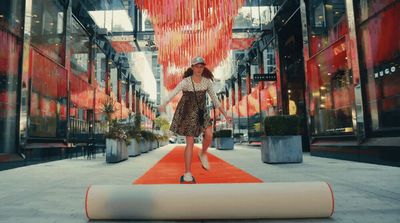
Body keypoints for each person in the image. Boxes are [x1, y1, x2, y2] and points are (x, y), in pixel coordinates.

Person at [158, 56, 232, 183]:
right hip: (188, 114)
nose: (199, 69)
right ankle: (187, 172)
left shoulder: (207, 82)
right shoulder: (186, 82)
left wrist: (226, 115)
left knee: (209, 134)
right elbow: (173, 93)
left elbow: (216, 100)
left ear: (204, 67)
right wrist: (164, 103)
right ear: (192, 67)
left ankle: (203, 153)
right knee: (190, 144)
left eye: (201, 66)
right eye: (197, 66)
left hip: (201, 113)